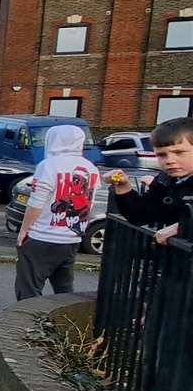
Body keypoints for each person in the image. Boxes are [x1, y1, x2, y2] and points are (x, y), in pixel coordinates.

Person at [14, 123, 99, 300]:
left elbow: (36, 203)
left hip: (41, 236)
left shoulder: (48, 165)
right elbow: (89, 202)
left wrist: (24, 230)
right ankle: (68, 321)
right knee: (64, 287)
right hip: (71, 237)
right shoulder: (91, 168)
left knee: (29, 286)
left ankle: (28, 324)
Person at [109, 116, 193, 246]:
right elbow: (140, 216)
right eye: (161, 155)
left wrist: (182, 227)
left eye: (179, 152)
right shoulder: (167, 181)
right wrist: (123, 186)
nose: (169, 160)